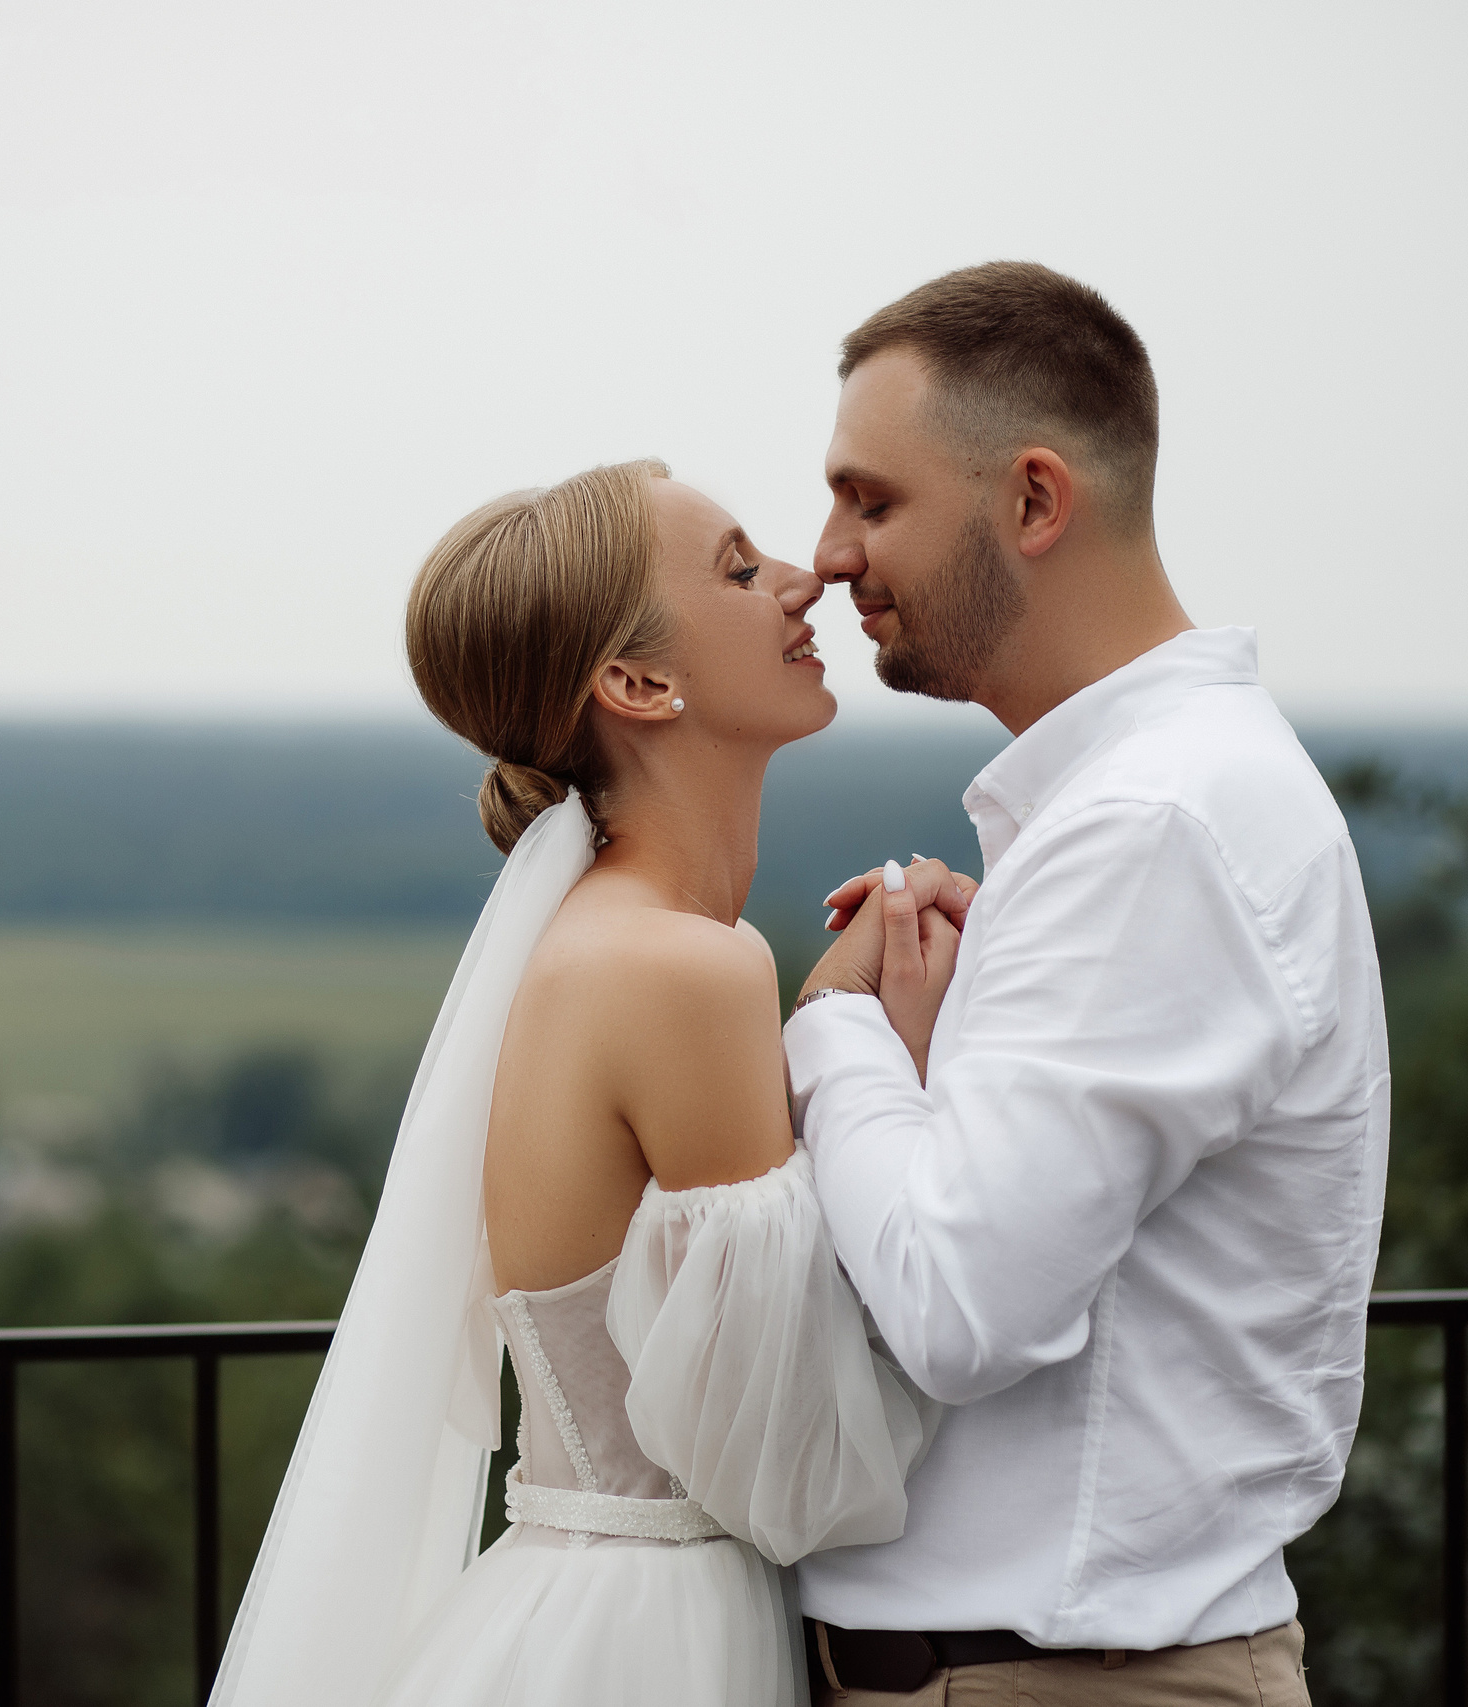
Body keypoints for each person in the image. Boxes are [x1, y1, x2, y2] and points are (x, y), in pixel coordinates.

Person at [209, 460, 944, 1707]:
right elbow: (795, 1468)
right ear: (638, 684)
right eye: (736, 565)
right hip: (653, 1646)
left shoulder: (612, 943)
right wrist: (872, 1048)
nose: (802, 578)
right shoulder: (682, 968)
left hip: (580, 1610)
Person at [789, 263, 1389, 1704]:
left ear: (1036, 501)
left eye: (873, 500)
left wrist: (835, 1027)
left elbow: (959, 1301)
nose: (825, 552)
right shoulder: (1144, 808)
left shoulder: (1153, 823)